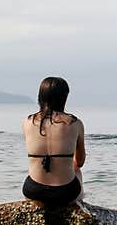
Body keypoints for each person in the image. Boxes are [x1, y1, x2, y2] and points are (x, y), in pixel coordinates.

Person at [22, 76, 85, 207]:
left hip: (34, 191)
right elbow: (80, 162)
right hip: (65, 193)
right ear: (64, 98)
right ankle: (78, 205)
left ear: (41, 96)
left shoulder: (28, 122)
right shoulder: (75, 123)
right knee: (77, 170)